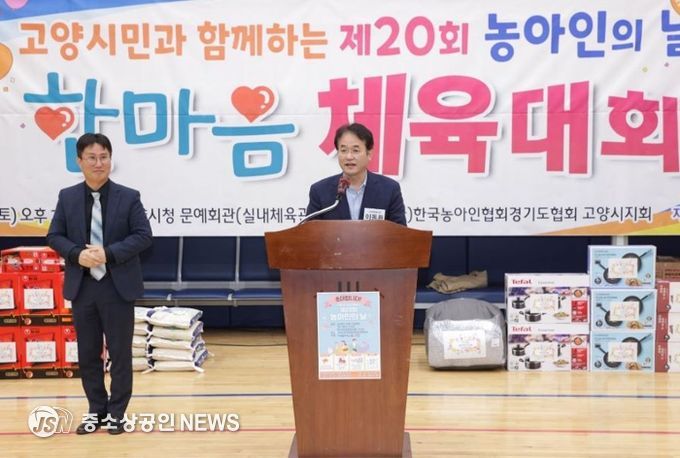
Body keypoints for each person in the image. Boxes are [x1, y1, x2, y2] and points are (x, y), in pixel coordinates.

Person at [47, 133, 152, 435]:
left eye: (104, 157)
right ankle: (96, 410)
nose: (98, 163)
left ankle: (117, 413)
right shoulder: (67, 197)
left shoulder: (128, 197)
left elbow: (143, 236)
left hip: (116, 286)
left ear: (110, 160)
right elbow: (54, 236)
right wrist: (76, 254)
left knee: (120, 355)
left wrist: (108, 253)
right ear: (79, 161)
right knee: (88, 354)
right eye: (91, 158)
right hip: (83, 287)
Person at [306, 123, 406, 225]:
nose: (349, 156)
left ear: (369, 153)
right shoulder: (320, 191)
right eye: (344, 150)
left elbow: (400, 232)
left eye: (355, 150)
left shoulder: (389, 190)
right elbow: (309, 232)